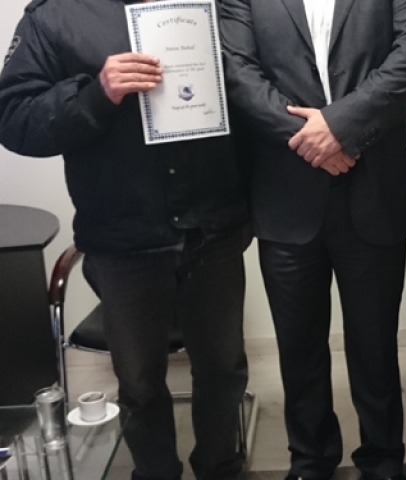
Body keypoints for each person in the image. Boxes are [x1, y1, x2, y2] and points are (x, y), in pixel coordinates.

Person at [0, 1, 250, 480]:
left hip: (212, 227)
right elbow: (14, 120)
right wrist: (98, 93)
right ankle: (155, 472)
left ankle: (221, 468)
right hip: (123, 238)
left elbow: (248, 94)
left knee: (224, 370)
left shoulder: (214, 5)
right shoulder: (54, 16)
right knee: (139, 384)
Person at [219, 1, 406, 480]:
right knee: (299, 349)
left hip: (373, 187)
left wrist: (341, 128)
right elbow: (237, 71)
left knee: (376, 347)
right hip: (285, 195)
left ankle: (382, 462)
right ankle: (310, 460)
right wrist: (312, 138)